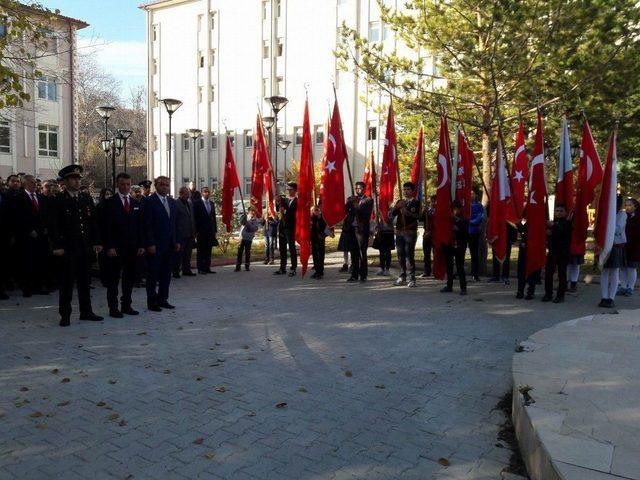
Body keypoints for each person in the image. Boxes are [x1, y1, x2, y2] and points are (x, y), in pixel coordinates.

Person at [48, 165, 103, 327]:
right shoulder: (58, 200)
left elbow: (93, 223)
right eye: (73, 179)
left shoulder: (85, 199)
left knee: (85, 282)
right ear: (65, 181)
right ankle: (65, 315)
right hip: (67, 248)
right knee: (66, 284)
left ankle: (86, 312)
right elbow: (53, 226)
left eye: (79, 179)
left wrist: (97, 241)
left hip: (84, 247)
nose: (77, 181)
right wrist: (56, 246)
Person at [101, 173, 145, 318]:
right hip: (115, 248)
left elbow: (139, 227)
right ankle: (113, 308)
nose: (125, 187)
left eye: (128, 184)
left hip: (132, 248)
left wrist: (141, 245)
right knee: (113, 280)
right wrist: (109, 246)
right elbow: (106, 227)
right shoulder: (109, 203)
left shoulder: (135, 203)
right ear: (117, 184)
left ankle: (126, 305)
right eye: (122, 184)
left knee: (129, 278)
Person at [141, 176, 180, 312]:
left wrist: (176, 241)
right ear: (156, 186)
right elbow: (147, 225)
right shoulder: (149, 202)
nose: (165, 187)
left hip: (169, 245)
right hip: (155, 245)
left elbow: (174, 223)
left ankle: (163, 299)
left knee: (166, 274)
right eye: (162, 184)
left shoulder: (172, 202)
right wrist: (150, 243)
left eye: (167, 185)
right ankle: (152, 302)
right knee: (153, 275)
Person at [13, 174, 49, 297]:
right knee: (27, 262)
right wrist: (29, 230)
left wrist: (44, 228)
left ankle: (39, 286)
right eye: (33, 182)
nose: (35, 185)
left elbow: (43, 215)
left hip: (40, 235)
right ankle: (27, 288)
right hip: (27, 236)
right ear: (26, 184)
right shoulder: (19, 197)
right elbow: (19, 217)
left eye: (35, 182)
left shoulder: (39, 197)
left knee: (39, 261)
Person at [392, 182, 421, 288]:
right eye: (404, 189)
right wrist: (397, 207)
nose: (405, 191)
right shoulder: (400, 201)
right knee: (400, 255)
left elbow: (418, 216)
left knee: (409, 255)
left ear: (412, 191)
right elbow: (392, 215)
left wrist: (407, 213)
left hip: (410, 232)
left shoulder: (416, 203)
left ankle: (412, 278)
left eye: (408, 189)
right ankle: (402, 275)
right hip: (399, 232)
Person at [599, 196, 626, 308]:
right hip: (605, 245)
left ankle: (611, 298)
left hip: (615, 245)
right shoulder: (605, 214)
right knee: (604, 271)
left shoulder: (622, 215)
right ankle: (604, 297)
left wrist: (607, 226)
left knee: (614, 271)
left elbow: (618, 229)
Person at [344, 181, 374, 283]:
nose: (358, 190)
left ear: (364, 189)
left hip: (361, 230)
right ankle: (354, 275)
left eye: (360, 188)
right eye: (356, 188)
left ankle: (363, 275)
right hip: (352, 229)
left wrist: (358, 207)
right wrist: (348, 202)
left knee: (362, 253)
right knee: (354, 253)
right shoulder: (353, 199)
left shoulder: (368, 200)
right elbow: (345, 211)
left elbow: (366, 215)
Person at [542, 204, 572, 303]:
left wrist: (553, 228)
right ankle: (548, 294)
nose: (558, 213)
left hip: (563, 253)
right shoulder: (553, 222)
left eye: (561, 211)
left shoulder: (567, 223)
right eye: (557, 211)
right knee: (548, 274)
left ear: (565, 212)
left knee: (561, 274)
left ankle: (560, 295)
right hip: (552, 252)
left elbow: (563, 232)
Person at [441, 200, 468, 295]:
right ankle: (449, 285)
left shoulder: (464, 220)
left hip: (460, 246)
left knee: (460, 266)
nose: (454, 211)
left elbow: (465, 234)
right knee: (449, 266)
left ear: (460, 209)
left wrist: (457, 229)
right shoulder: (448, 220)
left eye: (455, 209)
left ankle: (463, 287)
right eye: (452, 209)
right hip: (449, 245)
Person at [274, 182, 298, 276]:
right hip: (282, 227)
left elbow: (294, 214)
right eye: (288, 189)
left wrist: (285, 210)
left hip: (290, 227)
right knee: (282, 248)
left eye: (291, 189)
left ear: (295, 190)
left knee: (292, 248)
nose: (289, 191)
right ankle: (282, 268)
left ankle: (293, 268)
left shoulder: (297, 201)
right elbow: (278, 208)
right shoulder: (285, 200)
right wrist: (277, 202)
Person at [193, 186, 218, 274]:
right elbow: (195, 218)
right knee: (201, 250)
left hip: (210, 231)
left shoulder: (211, 203)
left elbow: (213, 218)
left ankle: (207, 267)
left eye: (208, 192)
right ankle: (200, 268)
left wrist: (215, 230)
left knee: (208, 250)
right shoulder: (197, 203)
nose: (207, 193)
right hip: (201, 231)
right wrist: (195, 231)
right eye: (205, 192)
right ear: (202, 193)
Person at [173, 186, 196, 278]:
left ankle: (186, 269)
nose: (188, 196)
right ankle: (176, 271)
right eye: (186, 194)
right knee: (178, 254)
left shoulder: (189, 203)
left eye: (188, 194)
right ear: (181, 194)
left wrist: (194, 232)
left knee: (188, 253)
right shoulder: (176, 204)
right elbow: (175, 220)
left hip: (190, 233)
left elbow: (192, 218)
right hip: (181, 233)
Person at [515, 217, 541, 300]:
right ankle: (520, 290)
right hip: (524, 246)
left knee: (533, 268)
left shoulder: (539, 216)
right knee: (521, 268)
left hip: (535, 246)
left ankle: (531, 291)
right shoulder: (524, 219)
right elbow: (520, 227)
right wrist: (522, 241)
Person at [619, 198, 640, 296]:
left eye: (630, 205)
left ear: (635, 207)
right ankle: (623, 286)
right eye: (626, 205)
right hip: (623, 245)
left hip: (635, 246)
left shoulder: (638, 217)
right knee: (623, 267)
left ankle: (630, 287)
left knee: (631, 268)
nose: (627, 207)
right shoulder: (623, 217)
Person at [235, 207, 261, 271]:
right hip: (242, 237)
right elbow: (241, 222)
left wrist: (248, 223)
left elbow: (254, 228)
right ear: (249, 211)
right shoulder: (245, 217)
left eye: (254, 211)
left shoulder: (255, 220)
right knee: (240, 252)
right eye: (252, 211)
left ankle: (247, 266)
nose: (253, 212)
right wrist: (244, 218)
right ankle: (238, 266)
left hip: (248, 238)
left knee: (247, 252)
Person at [468, 189, 484, 281]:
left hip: (474, 232)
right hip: (465, 232)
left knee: (474, 254)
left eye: (472, 193)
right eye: (470, 194)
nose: (471, 195)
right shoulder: (465, 205)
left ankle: (475, 274)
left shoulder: (479, 206)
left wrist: (470, 222)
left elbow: (480, 217)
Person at [310, 205, 328, 279]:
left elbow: (327, 228)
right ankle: (317, 271)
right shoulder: (312, 218)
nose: (313, 212)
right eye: (312, 211)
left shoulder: (322, 218)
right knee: (315, 256)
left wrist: (323, 235)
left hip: (320, 239)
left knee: (320, 256)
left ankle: (320, 272)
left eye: (315, 210)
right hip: (314, 239)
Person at [420, 195, 435, 278]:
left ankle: (436, 270)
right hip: (426, 233)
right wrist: (423, 212)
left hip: (435, 233)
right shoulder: (427, 210)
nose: (433, 203)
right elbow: (421, 219)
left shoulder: (438, 210)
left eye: (434, 201)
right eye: (432, 201)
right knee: (426, 253)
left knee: (436, 253)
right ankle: (427, 271)